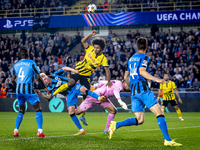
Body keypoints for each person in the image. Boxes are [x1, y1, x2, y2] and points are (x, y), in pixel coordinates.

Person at [108, 37, 182, 146]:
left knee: (140, 120)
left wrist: (130, 86)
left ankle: (116, 124)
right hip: (143, 90)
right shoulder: (144, 57)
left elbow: (125, 77)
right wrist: (156, 79)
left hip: (134, 92)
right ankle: (168, 140)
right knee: (160, 113)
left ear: (137, 47)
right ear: (146, 47)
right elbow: (142, 71)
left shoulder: (131, 59)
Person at [52, 30, 112, 125]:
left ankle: (83, 116)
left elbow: (107, 70)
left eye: (98, 48)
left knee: (86, 95)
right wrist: (90, 35)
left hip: (86, 76)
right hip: (78, 70)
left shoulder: (103, 58)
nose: (96, 49)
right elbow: (83, 41)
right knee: (70, 83)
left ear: (101, 49)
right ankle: (54, 94)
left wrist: (108, 81)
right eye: (95, 47)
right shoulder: (90, 49)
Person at [36, 67, 105, 135]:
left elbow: (64, 68)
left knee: (84, 90)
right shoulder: (49, 88)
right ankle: (81, 130)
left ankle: (99, 98)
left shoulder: (54, 75)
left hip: (74, 86)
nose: (45, 81)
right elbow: (48, 97)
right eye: (43, 81)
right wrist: (41, 94)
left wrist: (74, 70)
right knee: (71, 112)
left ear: (47, 77)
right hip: (69, 95)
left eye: (45, 79)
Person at [12, 48, 49, 138]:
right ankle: (40, 131)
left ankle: (15, 131)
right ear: (27, 54)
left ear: (20, 55)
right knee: (38, 108)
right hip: (28, 89)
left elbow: (13, 80)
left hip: (18, 90)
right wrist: (45, 87)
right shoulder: (31, 63)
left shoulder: (15, 65)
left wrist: (17, 87)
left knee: (21, 110)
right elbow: (39, 77)